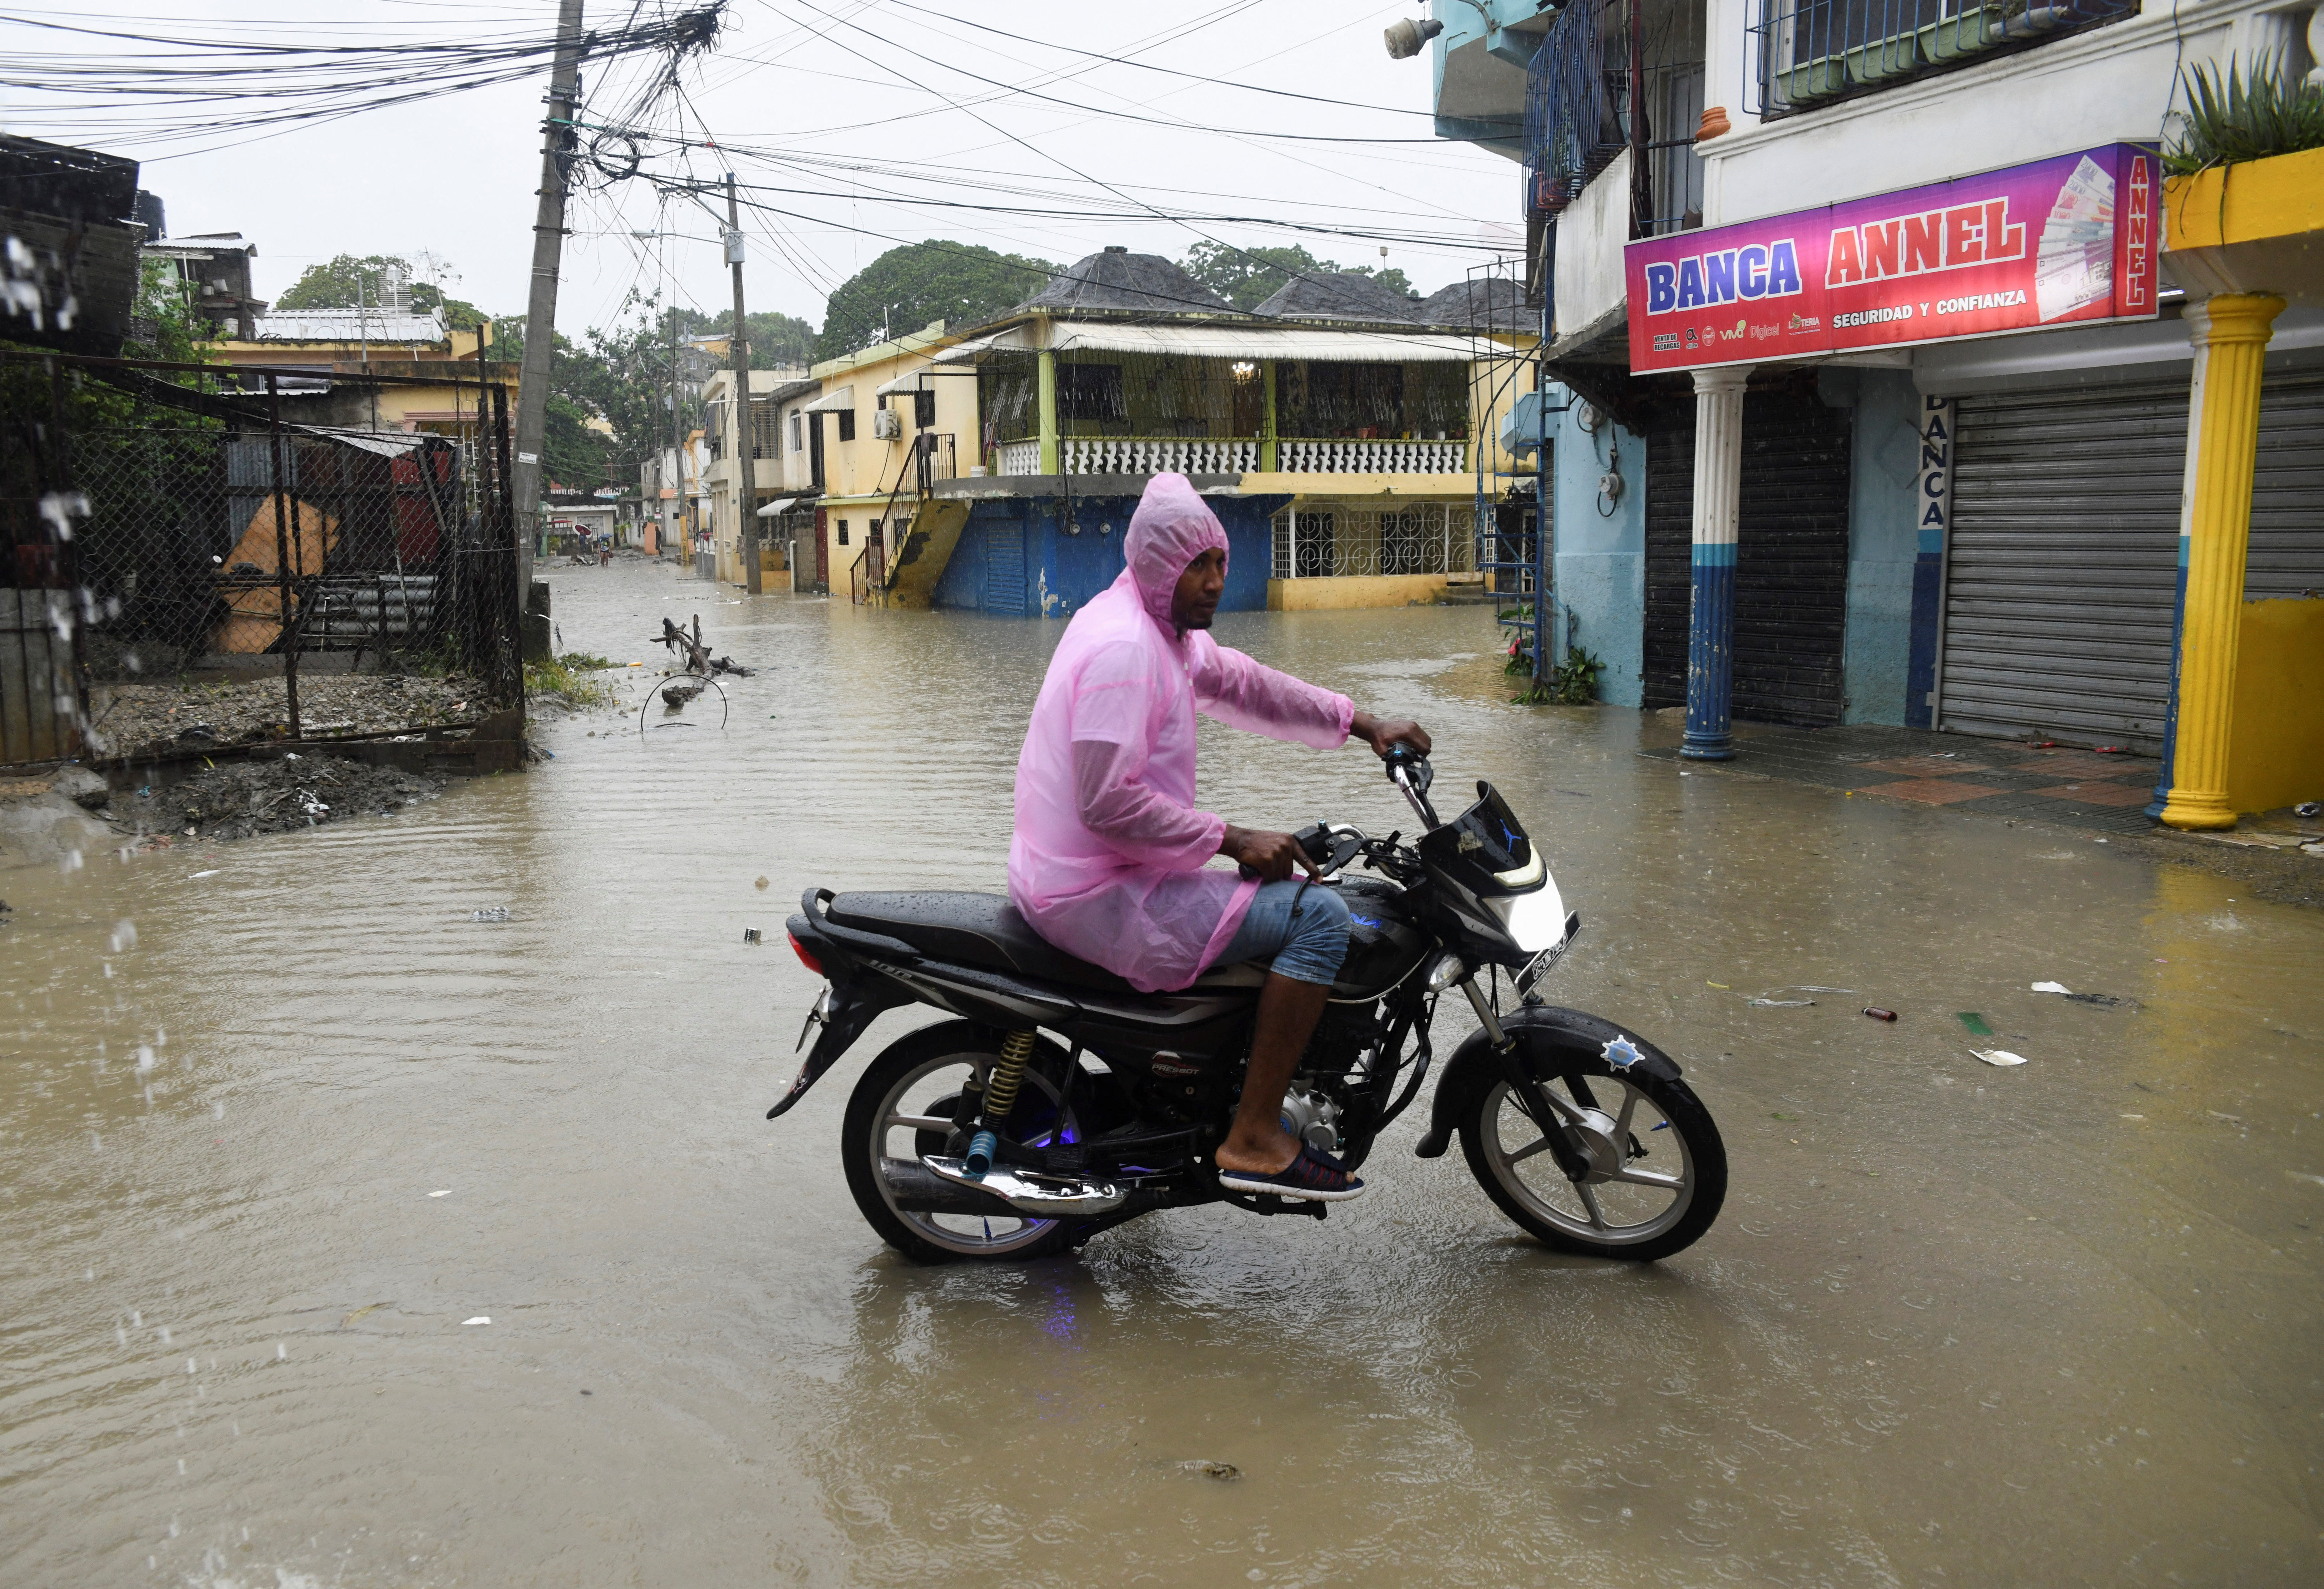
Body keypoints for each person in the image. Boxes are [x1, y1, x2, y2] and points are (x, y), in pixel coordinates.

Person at [1009, 473, 1429, 1202]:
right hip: (1094, 887)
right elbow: (1106, 801)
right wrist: (1231, 839)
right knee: (1321, 917)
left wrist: (1365, 725)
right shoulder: (1125, 652)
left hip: (1099, 868)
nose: (1213, 583)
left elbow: (1245, 682)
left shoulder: (1154, 628)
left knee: (1296, 890)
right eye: (1196, 567)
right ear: (1157, 565)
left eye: (1220, 565)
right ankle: (1255, 1134)